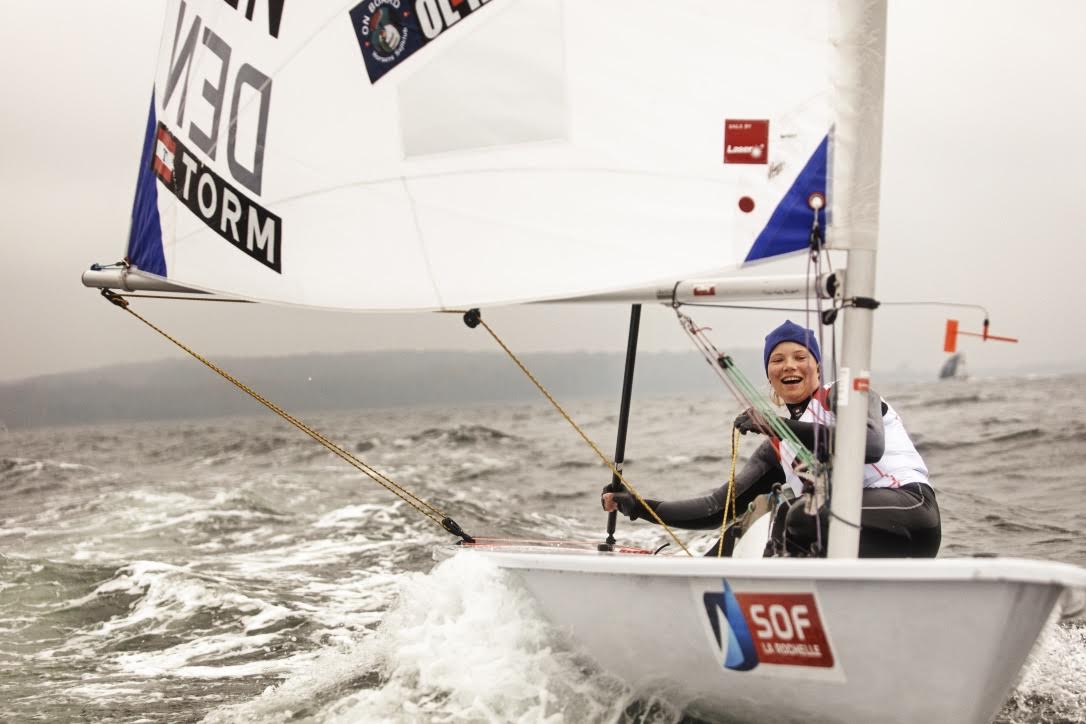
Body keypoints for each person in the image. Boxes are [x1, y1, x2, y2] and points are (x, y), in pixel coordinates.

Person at [601, 320, 940, 558]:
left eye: (800, 357)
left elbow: (867, 445)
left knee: (795, 515)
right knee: (737, 532)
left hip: (910, 515)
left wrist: (776, 425)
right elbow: (717, 508)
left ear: (817, 368)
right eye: (777, 360)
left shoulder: (846, 394)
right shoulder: (776, 450)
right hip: (846, 537)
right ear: (770, 376)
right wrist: (637, 506)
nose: (788, 365)